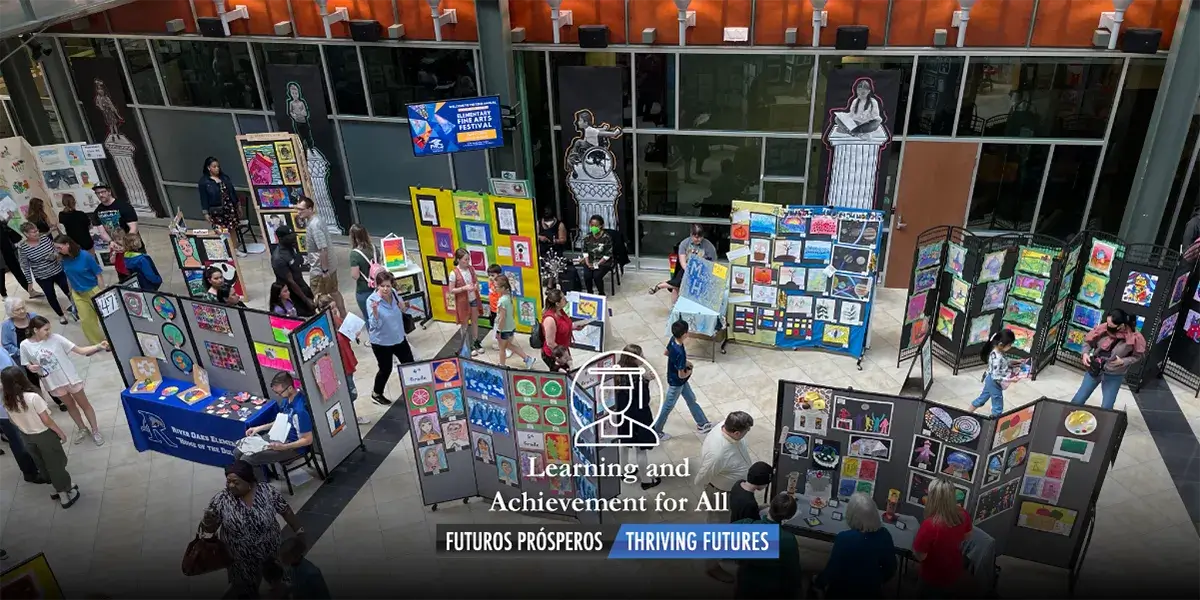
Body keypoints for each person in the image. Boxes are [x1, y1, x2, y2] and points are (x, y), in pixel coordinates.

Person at [200, 460, 304, 597]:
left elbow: (285, 510)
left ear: (249, 481)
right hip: (240, 560)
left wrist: (299, 531)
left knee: (276, 588)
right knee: (245, 590)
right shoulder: (221, 500)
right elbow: (208, 531)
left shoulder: (267, 492)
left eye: (236, 482)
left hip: (270, 554)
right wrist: (208, 523)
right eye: (228, 481)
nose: (231, 486)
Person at [20, 316, 110, 445]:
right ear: (35, 330)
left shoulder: (56, 338)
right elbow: (26, 363)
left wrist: (98, 346)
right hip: (53, 383)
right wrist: (31, 367)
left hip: (70, 378)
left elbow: (79, 350)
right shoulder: (25, 345)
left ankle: (95, 430)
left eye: (49, 328)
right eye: (45, 329)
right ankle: (82, 428)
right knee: (70, 406)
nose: (49, 332)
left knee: (85, 404)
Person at [1, 366, 79, 508]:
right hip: (44, 435)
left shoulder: (6, 401)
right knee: (56, 463)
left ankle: (58, 486)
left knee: (42, 464)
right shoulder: (33, 398)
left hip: (26, 436)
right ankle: (64, 494)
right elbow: (46, 420)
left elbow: (12, 421)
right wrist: (60, 432)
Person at [695, 411, 754, 583]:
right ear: (736, 433)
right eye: (746, 431)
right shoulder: (718, 453)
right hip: (719, 493)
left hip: (732, 490)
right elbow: (701, 478)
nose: (746, 434)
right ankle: (711, 566)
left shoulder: (726, 425)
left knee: (729, 522)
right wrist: (711, 491)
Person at [814, 492, 898, 598]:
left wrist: (819, 582)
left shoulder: (843, 538)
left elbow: (832, 569)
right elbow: (891, 568)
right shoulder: (884, 535)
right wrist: (876, 581)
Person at [607, 344, 662, 490]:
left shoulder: (617, 370)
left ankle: (623, 472)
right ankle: (646, 480)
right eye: (640, 356)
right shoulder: (638, 378)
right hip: (638, 417)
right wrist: (646, 381)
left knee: (624, 445)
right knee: (640, 449)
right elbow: (643, 401)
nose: (643, 358)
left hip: (622, 416)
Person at [1071, 308, 1146, 410]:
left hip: (1114, 374)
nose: (1108, 326)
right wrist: (1085, 353)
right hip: (1095, 368)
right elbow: (1088, 342)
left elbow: (1138, 356)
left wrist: (1123, 361)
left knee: (1107, 406)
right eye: (1107, 323)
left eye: (1111, 326)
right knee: (1078, 400)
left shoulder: (1134, 338)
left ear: (1121, 325)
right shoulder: (1103, 328)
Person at [652, 320, 714, 439]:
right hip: (677, 382)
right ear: (685, 334)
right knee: (667, 406)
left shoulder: (672, 340)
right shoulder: (680, 352)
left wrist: (685, 363)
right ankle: (656, 430)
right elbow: (681, 375)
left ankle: (703, 423)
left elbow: (666, 353)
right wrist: (689, 370)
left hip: (677, 379)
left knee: (691, 399)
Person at [2, 298, 67, 412]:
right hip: (24, 360)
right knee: (32, 383)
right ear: (11, 312)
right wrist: (22, 351)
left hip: (41, 355)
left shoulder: (33, 317)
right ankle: (42, 405)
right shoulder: (7, 326)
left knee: (48, 378)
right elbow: (7, 345)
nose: (22, 311)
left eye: (23, 307)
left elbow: (44, 332)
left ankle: (59, 400)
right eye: (18, 309)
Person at [731, 493, 801, 598]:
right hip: (772, 587)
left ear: (770, 506)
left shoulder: (746, 525)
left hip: (746, 582)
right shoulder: (788, 539)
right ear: (789, 517)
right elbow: (793, 571)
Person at [239, 372, 314, 466]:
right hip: (279, 435)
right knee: (239, 451)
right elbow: (281, 420)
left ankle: (257, 480)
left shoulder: (300, 410)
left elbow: (308, 439)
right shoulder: (286, 400)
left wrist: (284, 447)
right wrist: (259, 428)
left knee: (247, 458)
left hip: (292, 445)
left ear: (290, 388)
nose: (278, 395)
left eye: (280, 392)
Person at [913, 478, 973, 596]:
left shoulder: (930, 525)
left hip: (933, 575)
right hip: (954, 570)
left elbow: (921, 556)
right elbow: (967, 535)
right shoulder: (963, 514)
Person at [315, 293, 367, 425]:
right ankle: (349, 417)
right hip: (338, 365)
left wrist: (354, 333)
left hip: (346, 359)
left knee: (350, 390)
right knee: (350, 392)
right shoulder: (322, 328)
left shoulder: (337, 320)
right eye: (331, 309)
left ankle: (350, 415)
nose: (335, 311)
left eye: (334, 307)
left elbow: (346, 335)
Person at [366, 271, 415, 405]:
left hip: (399, 337)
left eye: (387, 285)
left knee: (409, 364)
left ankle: (413, 390)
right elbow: (374, 326)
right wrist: (375, 312)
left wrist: (404, 306)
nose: (386, 289)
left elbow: (401, 309)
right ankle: (376, 393)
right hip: (382, 342)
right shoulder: (372, 301)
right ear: (377, 286)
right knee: (385, 368)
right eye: (382, 286)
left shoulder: (394, 293)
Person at [0, 351, 46, 484]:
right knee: (19, 442)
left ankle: (35, 465)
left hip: (13, 404)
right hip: (8, 408)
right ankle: (30, 472)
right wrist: (14, 381)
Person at [297, 196, 345, 316]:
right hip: (327, 265)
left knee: (319, 297)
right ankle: (343, 315)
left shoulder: (315, 225)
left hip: (320, 269)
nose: (299, 212)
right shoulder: (316, 220)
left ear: (310, 209)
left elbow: (322, 249)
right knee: (334, 291)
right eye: (298, 209)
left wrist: (324, 270)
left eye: (301, 209)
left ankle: (331, 318)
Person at [17, 222, 74, 325]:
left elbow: (56, 250)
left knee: (68, 290)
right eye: (34, 232)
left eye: (37, 230)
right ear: (26, 234)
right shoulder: (23, 248)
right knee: (51, 295)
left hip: (57, 271)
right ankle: (61, 315)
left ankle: (76, 308)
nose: (37, 233)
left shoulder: (44, 239)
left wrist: (55, 255)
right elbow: (25, 266)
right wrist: (29, 282)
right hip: (42, 276)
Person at [54, 235, 105, 344]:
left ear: (67, 244)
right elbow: (68, 276)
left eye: (59, 247)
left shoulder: (85, 256)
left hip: (93, 290)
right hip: (77, 293)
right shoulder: (63, 259)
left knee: (104, 317)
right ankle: (98, 343)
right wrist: (70, 293)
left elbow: (98, 275)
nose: (58, 250)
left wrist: (102, 292)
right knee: (86, 320)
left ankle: (112, 339)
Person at [650, 224, 717, 302]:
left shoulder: (709, 246)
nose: (698, 239)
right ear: (691, 235)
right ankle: (673, 308)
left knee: (680, 286)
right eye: (695, 237)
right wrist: (690, 272)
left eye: (700, 237)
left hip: (702, 270)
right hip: (686, 268)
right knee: (677, 286)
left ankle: (663, 285)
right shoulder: (684, 243)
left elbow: (713, 262)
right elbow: (682, 261)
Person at [271, 225, 315, 317]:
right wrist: (305, 300)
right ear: (281, 238)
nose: (293, 237)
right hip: (294, 294)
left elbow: (298, 262)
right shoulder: (279, 258)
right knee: (305, 317)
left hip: (302, 285)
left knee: (313, 311)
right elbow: (291, 282)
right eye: (289, 236)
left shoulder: (291, 247)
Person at [970, 329, 1016, 417]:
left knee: (982, 399)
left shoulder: (998, 352)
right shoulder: (997, 358)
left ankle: (967, 412)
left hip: (989, 379)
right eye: (1009, 345)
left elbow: (1004, 362)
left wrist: (1015, 361)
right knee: (997, 405)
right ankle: (994, 423)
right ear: (1001, 345)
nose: (1011, 347)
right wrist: (1010, 379)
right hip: (994, 382)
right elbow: (996, 376)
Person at [494, 276, 536, 369]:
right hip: (511, 326)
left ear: (503, 288)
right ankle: (527, 359)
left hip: (504, 328)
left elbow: (502, 318)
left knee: (502, 348)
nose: (495, 288)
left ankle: (502, 366)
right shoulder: (509, 297)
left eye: (497, 287)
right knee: (509, 345)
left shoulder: (502, 301)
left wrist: (498, 331)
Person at [448, 248, 482, 357]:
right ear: (458, 260)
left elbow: (476, 281)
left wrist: (476, 286)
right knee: (465, 325)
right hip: (463, 302)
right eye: (465, 260)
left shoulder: (471, 269)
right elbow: (451, 290)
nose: (467, 262)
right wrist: (464, 288)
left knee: (475, 321)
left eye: (468, 259)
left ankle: (476, 342)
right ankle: (466, 345)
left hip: (473, 299)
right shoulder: (454, 273)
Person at [540, 289, 586, 372]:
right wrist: (564, 356)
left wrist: (574, 327)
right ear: (557, 303)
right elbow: (550, 343)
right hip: (555, 354)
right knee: (562, 376)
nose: (566, 300)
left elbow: (562, 327)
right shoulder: (550, 320)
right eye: (563, 299)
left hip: (563, 349)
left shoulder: (560, 311)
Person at [280, 536, 331, 600]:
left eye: (285, 556)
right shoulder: (291, 569)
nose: (282, 559)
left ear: (295, 556)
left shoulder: (312, 574)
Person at [198, 157, 240, 233]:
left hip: (229, 208)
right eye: (214, 167)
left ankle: (233, 244)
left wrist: (237, 205)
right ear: (208, 168)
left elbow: (232, 192)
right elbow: (203, 198)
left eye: (218, 166)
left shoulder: (224, 178)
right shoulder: (204, 182)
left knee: (232, 229)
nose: (217, 169)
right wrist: (206, 213)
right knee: (221, 231)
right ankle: (225, 244)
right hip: (216, 210)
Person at [348, 224, 378, 319]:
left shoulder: (354, 254)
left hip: (364, 290)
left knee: (370, 318)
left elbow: (355, 275)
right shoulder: (374, 248)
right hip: (378, 287)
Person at [579, 215, 614, 296]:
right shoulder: (588, 236)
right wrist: (587, 263)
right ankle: (590, 293)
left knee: (596, 276)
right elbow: (585, 252)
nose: (593, 227)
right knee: (587, 275)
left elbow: (607, 255)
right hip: (590, 260)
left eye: (596, 226)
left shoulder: (606, 237)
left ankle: (601, 294)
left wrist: (597, 264)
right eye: (592, 225)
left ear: (601, 226)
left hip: (603, 262)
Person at [58, 193, 97, 262]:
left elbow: (62, 231)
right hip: (86, 242)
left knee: (80, 264)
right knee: (92, 263)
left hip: (73, 245)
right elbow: (90, 226)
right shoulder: (81, 214)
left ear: (63, 203)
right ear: (74, 202)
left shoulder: (61, 215)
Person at [486, 264, 504, 351]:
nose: (490, 277)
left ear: (499, 275)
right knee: (494, 325)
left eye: (492, 275)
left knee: (500, 327)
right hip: (493, 310)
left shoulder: (500, 286)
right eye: (489, 275)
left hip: (499, 311)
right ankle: (498, 342)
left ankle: (502, 343)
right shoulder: (490, 283)